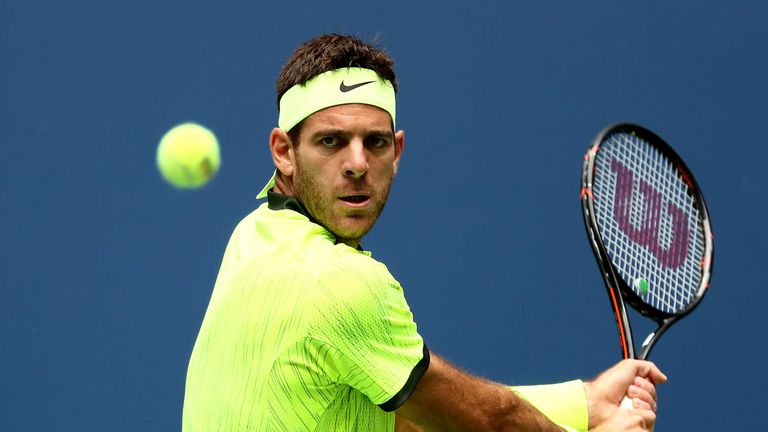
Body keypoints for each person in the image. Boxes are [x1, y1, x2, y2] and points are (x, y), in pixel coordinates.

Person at [182, 33, 666, 432]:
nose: (356, 164)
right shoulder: (341, 282)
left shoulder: (254, 236)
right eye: (330, 141)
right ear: (284, 151)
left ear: (397, 151)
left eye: (373, 143)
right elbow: (485, 425)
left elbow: (411, 418)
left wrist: (584, 403)